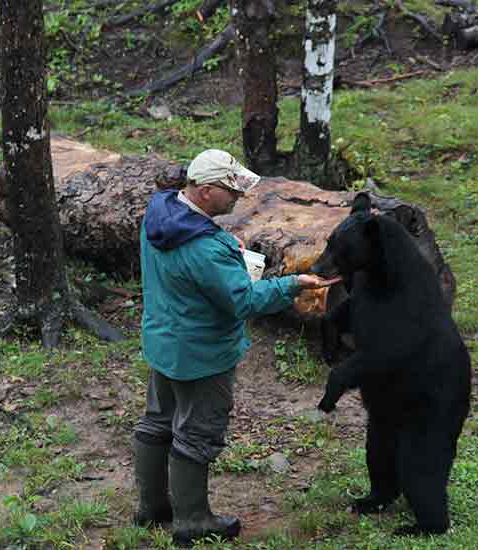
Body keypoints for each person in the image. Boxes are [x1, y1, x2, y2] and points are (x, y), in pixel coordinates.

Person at [132, 149, 339, 546]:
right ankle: (192, 521)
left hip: (164, 341)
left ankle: (152, 507)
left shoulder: (159, 212)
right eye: (231, 190)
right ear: (206, 191)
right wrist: (292, 285)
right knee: (197, 433)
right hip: (202, 354)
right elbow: (244, 301)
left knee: (157, 421)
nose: (239, 197)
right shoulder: (205, 248)